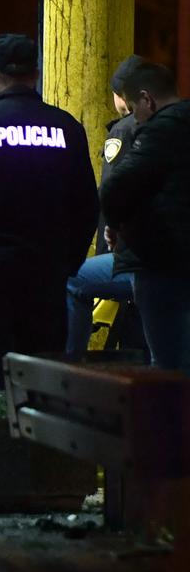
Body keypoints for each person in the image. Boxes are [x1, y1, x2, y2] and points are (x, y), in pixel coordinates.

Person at [0, 33, 98, 388]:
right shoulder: (66, 128)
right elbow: (87, 205)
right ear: (37, 73)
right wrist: (64, 264)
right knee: (39, 383)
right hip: (45, 278)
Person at [99, 60, 190, 373]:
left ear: (146, 99)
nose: (134, 119)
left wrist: (116, 226)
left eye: (133, 109)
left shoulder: (158, 130)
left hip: (161, 259)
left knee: (165, 364)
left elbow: (115, 189)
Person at [64, 55, 143, 357]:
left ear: (120, 94)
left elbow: (111, 199)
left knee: (75, 281)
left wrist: (107, 254)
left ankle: (70, 368)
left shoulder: (123, 131)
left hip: (139, 258)